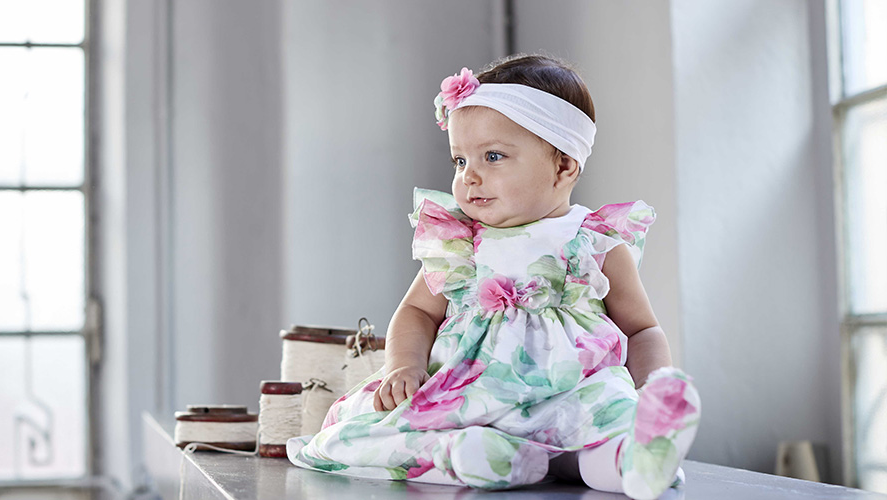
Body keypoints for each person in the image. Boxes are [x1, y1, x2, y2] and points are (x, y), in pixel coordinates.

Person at [287, 54, 700, 500]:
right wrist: (404, 365)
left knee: (604, 426)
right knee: (384, 431)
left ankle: (636, 459)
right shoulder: (460, 242)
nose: (470, 176)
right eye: (460, 160)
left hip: (571, 397)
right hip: (473, 396)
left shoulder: (594, 242)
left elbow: (641, 329)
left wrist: (649, 388)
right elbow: (417, 311)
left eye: (493, 156)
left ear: (564, 166)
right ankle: (482, 455)